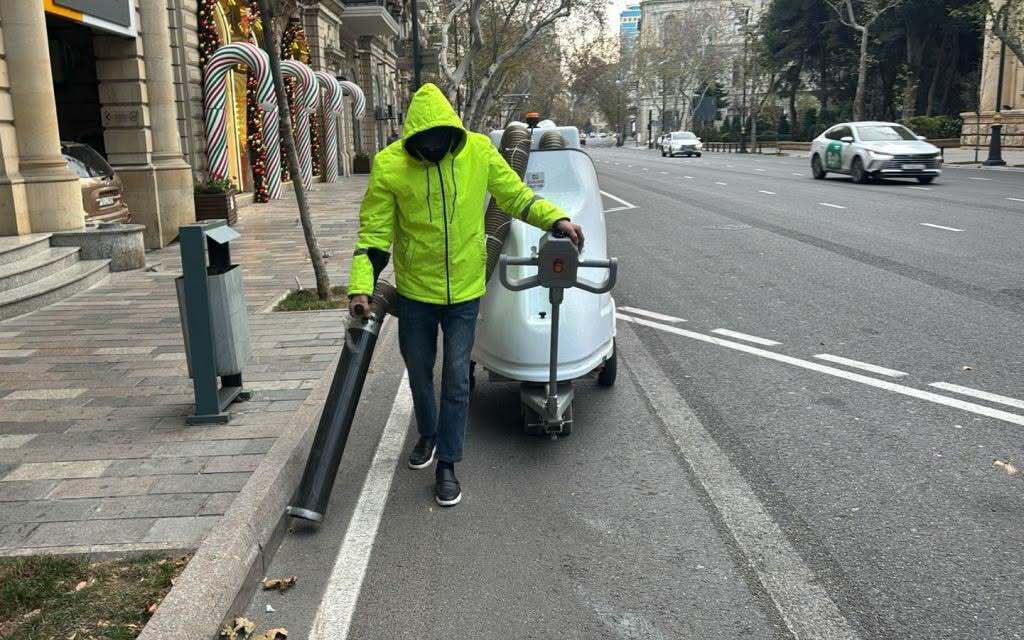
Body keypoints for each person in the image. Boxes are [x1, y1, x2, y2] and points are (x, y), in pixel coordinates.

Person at [347, 83, 582, 507]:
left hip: (465, 292)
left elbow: (515, 195)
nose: (432, 150)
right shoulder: (389, 166)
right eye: (424, 144)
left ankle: (447, 465)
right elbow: (374, 236)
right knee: (419, 371)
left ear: (451, 134)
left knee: (457, 379)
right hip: (417, 292)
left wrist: (556, 219)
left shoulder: (477, 151)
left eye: (440, 142)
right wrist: (362, 287)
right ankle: (429, 433)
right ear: (413, 140)